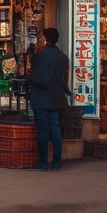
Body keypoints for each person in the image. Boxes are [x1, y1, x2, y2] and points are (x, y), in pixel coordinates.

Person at [28, 27, 68, 172]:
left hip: (42, 97)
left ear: (45, 39)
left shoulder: (42, 55)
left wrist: (30, 78)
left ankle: (43, 161)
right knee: (55, 127)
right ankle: (57, 161)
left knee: (43, 129)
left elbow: (40, 78)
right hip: (56, 97)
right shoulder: (62, 57)